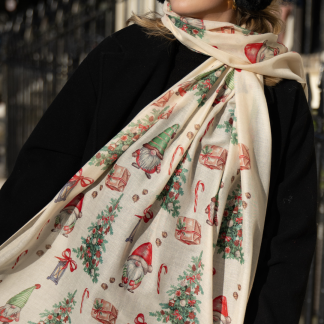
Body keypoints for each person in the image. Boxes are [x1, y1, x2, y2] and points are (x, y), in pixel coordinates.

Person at [0, 0, 317, 323]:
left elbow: (288, 243)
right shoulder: (128, 51)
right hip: (81, 300)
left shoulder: (279, 93)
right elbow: (44, 167)